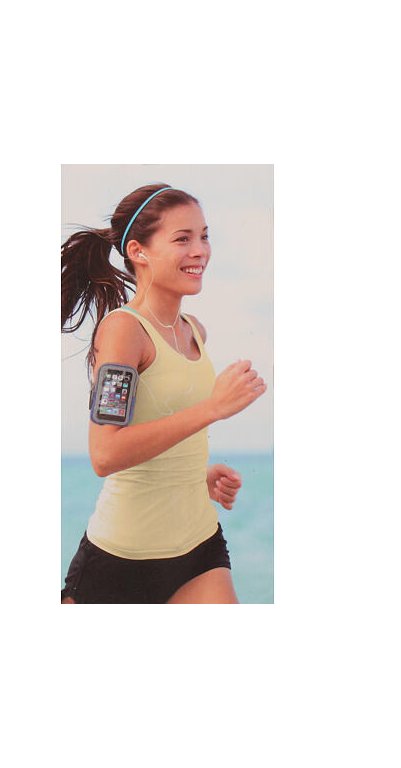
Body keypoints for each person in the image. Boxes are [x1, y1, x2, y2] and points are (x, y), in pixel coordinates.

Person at [60, 183, 266, 603]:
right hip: (121, 560)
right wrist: (213, 408)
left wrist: (195, 475)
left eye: (204, 236)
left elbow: (163, 427)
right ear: (139, 251)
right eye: (182, 239)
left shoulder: (194, 331)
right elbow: (105, 454)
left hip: (200, 548)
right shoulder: (124, 331)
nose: (200, 251)